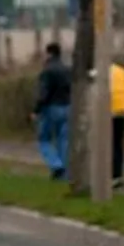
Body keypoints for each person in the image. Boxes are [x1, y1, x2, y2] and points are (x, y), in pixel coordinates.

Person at [30, 42, 72, 180]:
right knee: (63, 140)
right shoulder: (68, 70)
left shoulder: (47, 71)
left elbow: (44, 92)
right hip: (67, 107)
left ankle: (56, 165)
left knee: (44, 139)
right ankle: (64, 173)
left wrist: (36, 110)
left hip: (51, 108)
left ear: (49, 53)